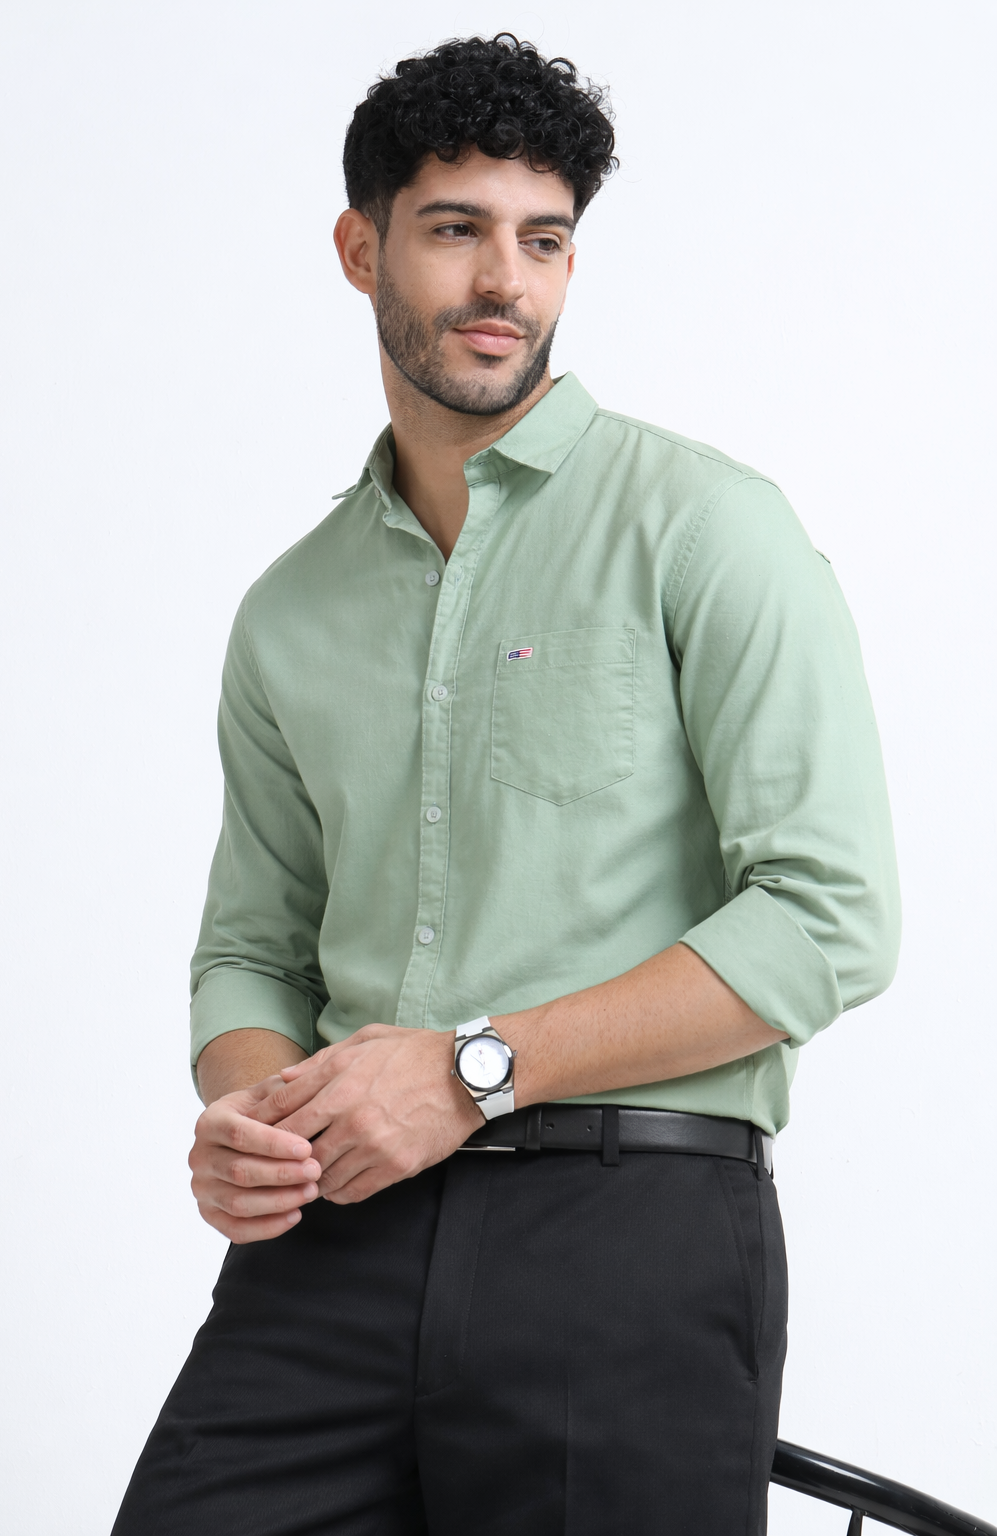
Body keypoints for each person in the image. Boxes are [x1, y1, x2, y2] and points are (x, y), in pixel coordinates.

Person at [112, 33, 900, 1536]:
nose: (503, 283)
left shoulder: (706, 528)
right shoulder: (290, 609)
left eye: (543, 241)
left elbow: (830, 915)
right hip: (334, 1239)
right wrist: (253, 1114)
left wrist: (471, 1071)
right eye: (456, 228)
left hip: (630, 1228)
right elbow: (253, 947)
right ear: (362, 250)